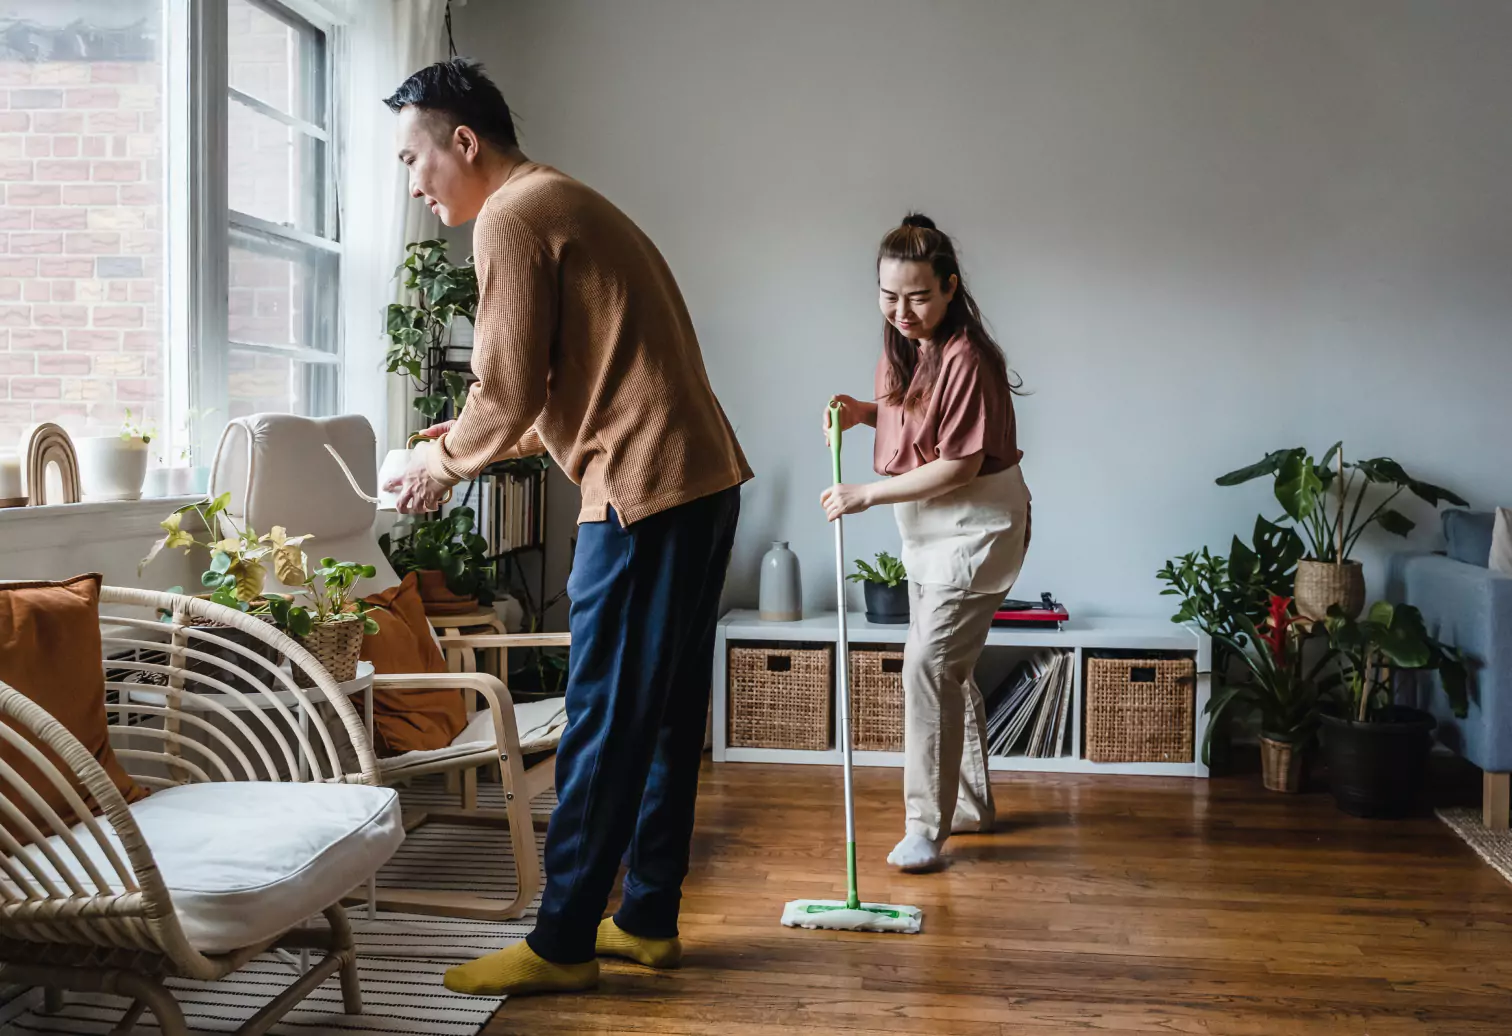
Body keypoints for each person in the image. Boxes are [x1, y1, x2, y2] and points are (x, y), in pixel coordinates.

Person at [383, 59, 752, 996]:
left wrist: (439, 463)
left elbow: (503, 390)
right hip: (694, 479)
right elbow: (555, 383)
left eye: (414, 157)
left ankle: (560, 944)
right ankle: (646, 919)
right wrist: (464, 440)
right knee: (664, 714)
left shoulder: (512, 214)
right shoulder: (561, 199)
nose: (414, 182)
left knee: (599, 717)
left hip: (642, 491)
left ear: (464, 142)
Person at [823, 213, 1030, 874]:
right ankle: (967, 807)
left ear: (948, 287)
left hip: (975, 528)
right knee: (947, 671)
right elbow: (915, 412)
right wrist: (864, 411)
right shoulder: (904, 344)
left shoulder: (968, 355)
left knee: (928, 668)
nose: (902, 311)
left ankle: (925, 828)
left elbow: (960, 465)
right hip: (928, 529)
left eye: (917, 296)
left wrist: (865, 494)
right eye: (889, 296)